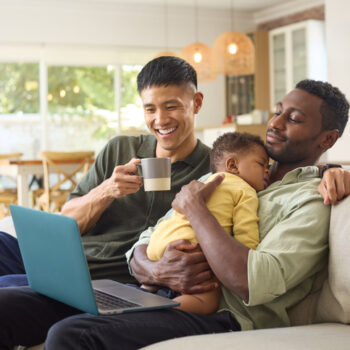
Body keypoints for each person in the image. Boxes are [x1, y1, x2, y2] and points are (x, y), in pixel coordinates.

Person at [0, 75, 349, 349]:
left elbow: (251, 282)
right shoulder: (234, 171)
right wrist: (153, 267)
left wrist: (196, 210)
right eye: (277, 110)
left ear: (327, 139)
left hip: (222, 314)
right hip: (151, 289)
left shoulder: (312, 198)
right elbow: (145, 240)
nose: (275, 122)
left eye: (295, 118)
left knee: (71, 336)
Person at [0, 56, 211, 285]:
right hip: (62, 258)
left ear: (197, 103)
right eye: (150, 109)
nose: (160, 119)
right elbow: (68, 221)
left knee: (7, 288)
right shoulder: (120, 148)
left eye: (171, 106)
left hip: (101, 280)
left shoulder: (212, 169)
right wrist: (107, 190)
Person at [145, 132, 269, 315]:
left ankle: (146, 289)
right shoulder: (245, 191)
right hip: (189, 247)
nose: (267, 170)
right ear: (232, 165)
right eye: (261, 164)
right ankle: (159, 313)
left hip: (158, 243)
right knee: (207, 299)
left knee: (151, 285)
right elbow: (246, 232)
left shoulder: (203, 182)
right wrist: (246, 252)